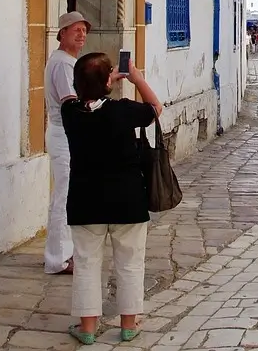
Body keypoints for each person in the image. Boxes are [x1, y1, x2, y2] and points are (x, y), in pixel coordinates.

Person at [62, 52, 163, 345]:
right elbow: (155, 108)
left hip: (85, 201)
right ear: (108, 81)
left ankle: (88, 329)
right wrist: (136, 79)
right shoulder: (123, 111)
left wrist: (102, 81)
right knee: (130, 263)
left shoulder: (69, 113)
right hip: (127, 200)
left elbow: (79, 98)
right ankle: (129, 324)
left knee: (87, 264)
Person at [42, 11, 89, 275]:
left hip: (66, 135)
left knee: (68, 193)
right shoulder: (62, 64)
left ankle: (64, 253)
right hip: (63, 135)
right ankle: (57, 259)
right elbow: (70, 101)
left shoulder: (68, 62)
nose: (81, 35)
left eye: (84, 31)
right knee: (64, 196)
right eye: (76, 30)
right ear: (62, 34)